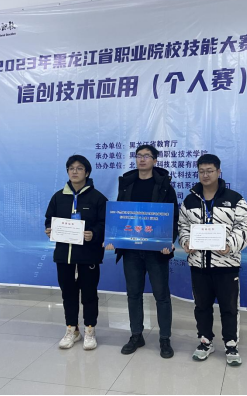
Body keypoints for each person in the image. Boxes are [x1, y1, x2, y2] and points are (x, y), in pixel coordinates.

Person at [178, 154, 247, 367]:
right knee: (201, 306)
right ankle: (205, 342)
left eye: (210, 171)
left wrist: (229, 245)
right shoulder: (190, 200)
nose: (205, 175)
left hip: (227, 265)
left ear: (219, 172)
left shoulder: (234, 198)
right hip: (199, 265)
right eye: (201, 171)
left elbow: (245, 226)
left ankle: (231, 345)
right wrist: (186, 242)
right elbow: (182, 226)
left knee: (229, 308)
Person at [106, 144, 179, 359]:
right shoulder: (127, 184)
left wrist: (169, 241)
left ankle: (164, 339)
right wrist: (113, 238)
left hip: (157, 250)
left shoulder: (164, 186)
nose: (142, 159)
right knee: (133, 294)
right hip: (131, 250)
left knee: (161, 296)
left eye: (147, 156)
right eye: (139, 155)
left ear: (155, 160)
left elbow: (173, 217)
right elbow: (120, 215)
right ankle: (136, 335)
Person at [45, 155, 107, 351]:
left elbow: (106, 224)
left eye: (79, 168)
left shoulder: (98, 198)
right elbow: (49, 219)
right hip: (64, 256)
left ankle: (90, 330)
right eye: (71, 168)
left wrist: (93, 233)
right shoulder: (58, 197)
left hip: (89, 255)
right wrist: (49, 230)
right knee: (68, 294)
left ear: (87, 172)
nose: (74, 171)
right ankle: (72, 329)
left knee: (89, 294)